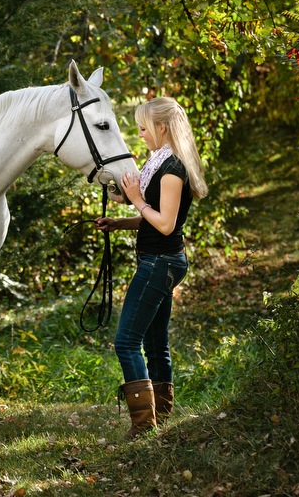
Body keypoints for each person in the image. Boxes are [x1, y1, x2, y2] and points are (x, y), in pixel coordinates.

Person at [94, 96, 207, 439]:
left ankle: (144, 424)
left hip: (161, 263)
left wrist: (138, 201)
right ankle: (161, 410)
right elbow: (151, 218)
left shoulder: (172, 169)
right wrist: (120, 222)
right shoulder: (158, 162)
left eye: (144, 128)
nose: (140, 134)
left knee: (127, 341)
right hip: (161, 261)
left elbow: (165, 224)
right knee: (156, 341)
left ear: (162, 127)